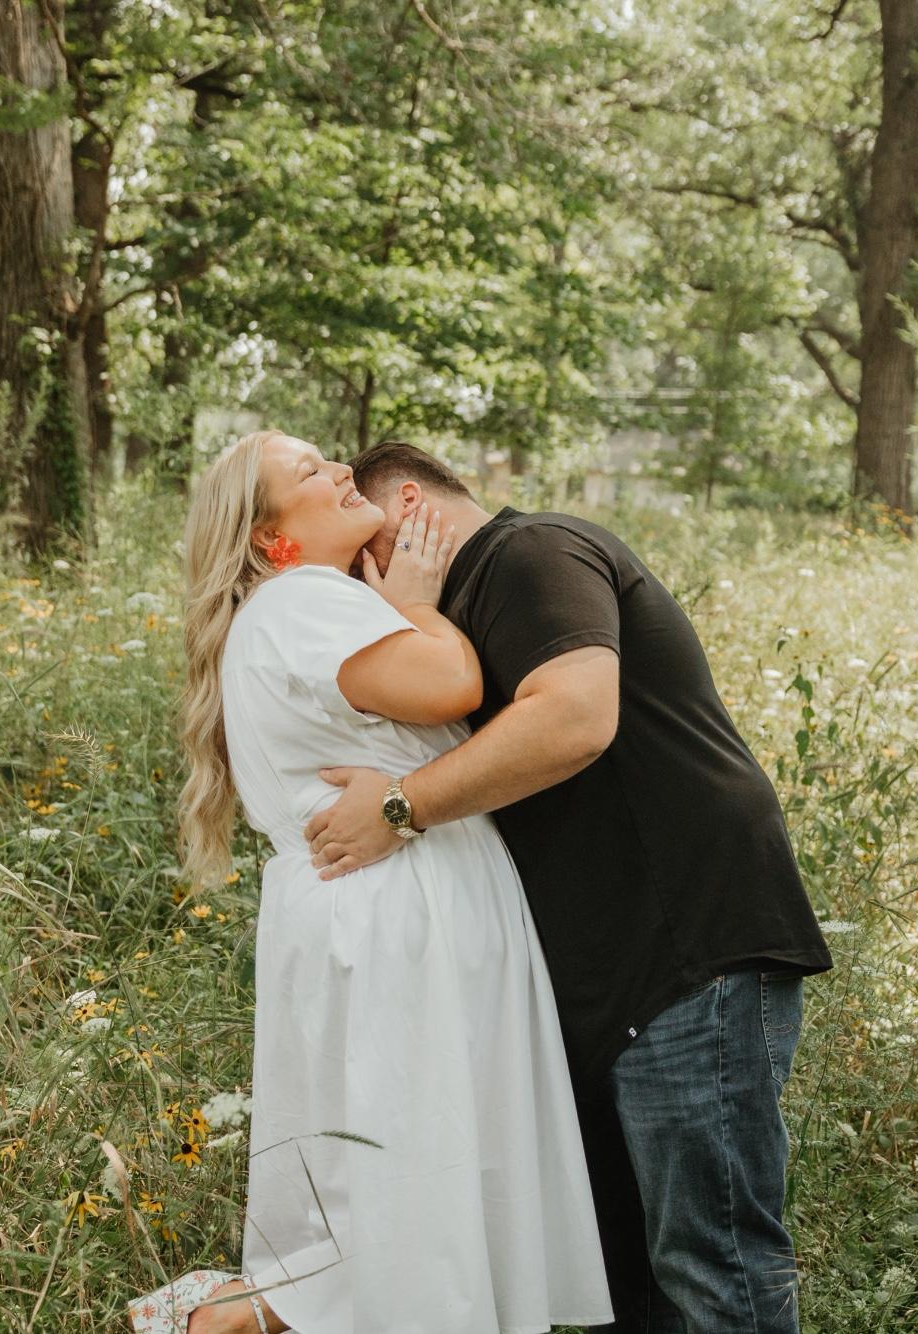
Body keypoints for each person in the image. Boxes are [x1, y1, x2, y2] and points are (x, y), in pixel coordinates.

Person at [304, 442, 836, 1334]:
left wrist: (399, 807)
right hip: (605, 989)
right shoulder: (445, 625)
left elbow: (576, 716)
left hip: (685, 957)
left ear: (409, 505)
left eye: (364, 550)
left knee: (714, 1271)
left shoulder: (530, 553)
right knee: (628, 1289)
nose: (360, 578)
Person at [130, 430, 612, 1334]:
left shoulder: (300, 609)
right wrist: (418, 604)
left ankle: (237, 1315)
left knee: (404, 1185)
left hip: (379, 907)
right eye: (310, 472)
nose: (342, 471)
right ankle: (221, 1320)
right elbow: (450, 682)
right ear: (271, 538)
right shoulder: (304, 599)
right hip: (396, 917)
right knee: (417, 1183)